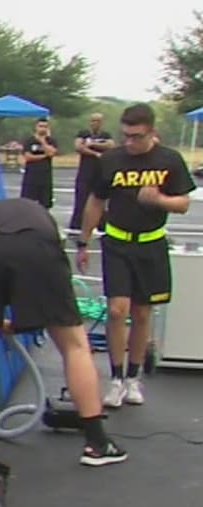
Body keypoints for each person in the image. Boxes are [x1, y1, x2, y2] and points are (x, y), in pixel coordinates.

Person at [0, 196, 127, 466]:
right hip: (38, 248)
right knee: (74, 345)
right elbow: (38, 296)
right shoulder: (41, 220)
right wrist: (20, 324)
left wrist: (2, 324)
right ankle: (96, 442)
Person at [77, 103, 195, 408]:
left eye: (136, 137)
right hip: (116, 243)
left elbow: (183, 204)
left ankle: (133, 377)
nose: (129, 142)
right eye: (125, 135)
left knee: (142, 314)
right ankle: (115, 379)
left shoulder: (169, 160)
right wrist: (83, 241)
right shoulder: (111, 160)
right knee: (117, 311)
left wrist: (159, 200)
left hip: (151, 245)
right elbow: (95, 200)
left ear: (152, 133)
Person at [69, 112, 115, 231]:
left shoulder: (105, 134)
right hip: (85, 171)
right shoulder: (83, 133)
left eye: (98, 121)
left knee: (101, 199)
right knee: (81, 198)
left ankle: (101, 225)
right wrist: (96, 153)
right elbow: (79, 147)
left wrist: (92, 144)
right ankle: (77, 224)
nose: (95, 123)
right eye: (93, 120)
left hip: (100, 171)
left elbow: (110, 145)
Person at [19, 117, 57, 208]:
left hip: (45, 176)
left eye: (45, 127)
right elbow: (28, 157)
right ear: (36, 127)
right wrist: (44, 156)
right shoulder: (29, 141)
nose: (42, 129)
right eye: (40, 126)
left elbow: (52, 153)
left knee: (45, 204)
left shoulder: (51, 141)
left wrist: (43, 142)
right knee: (27, 203)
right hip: (31, 176)